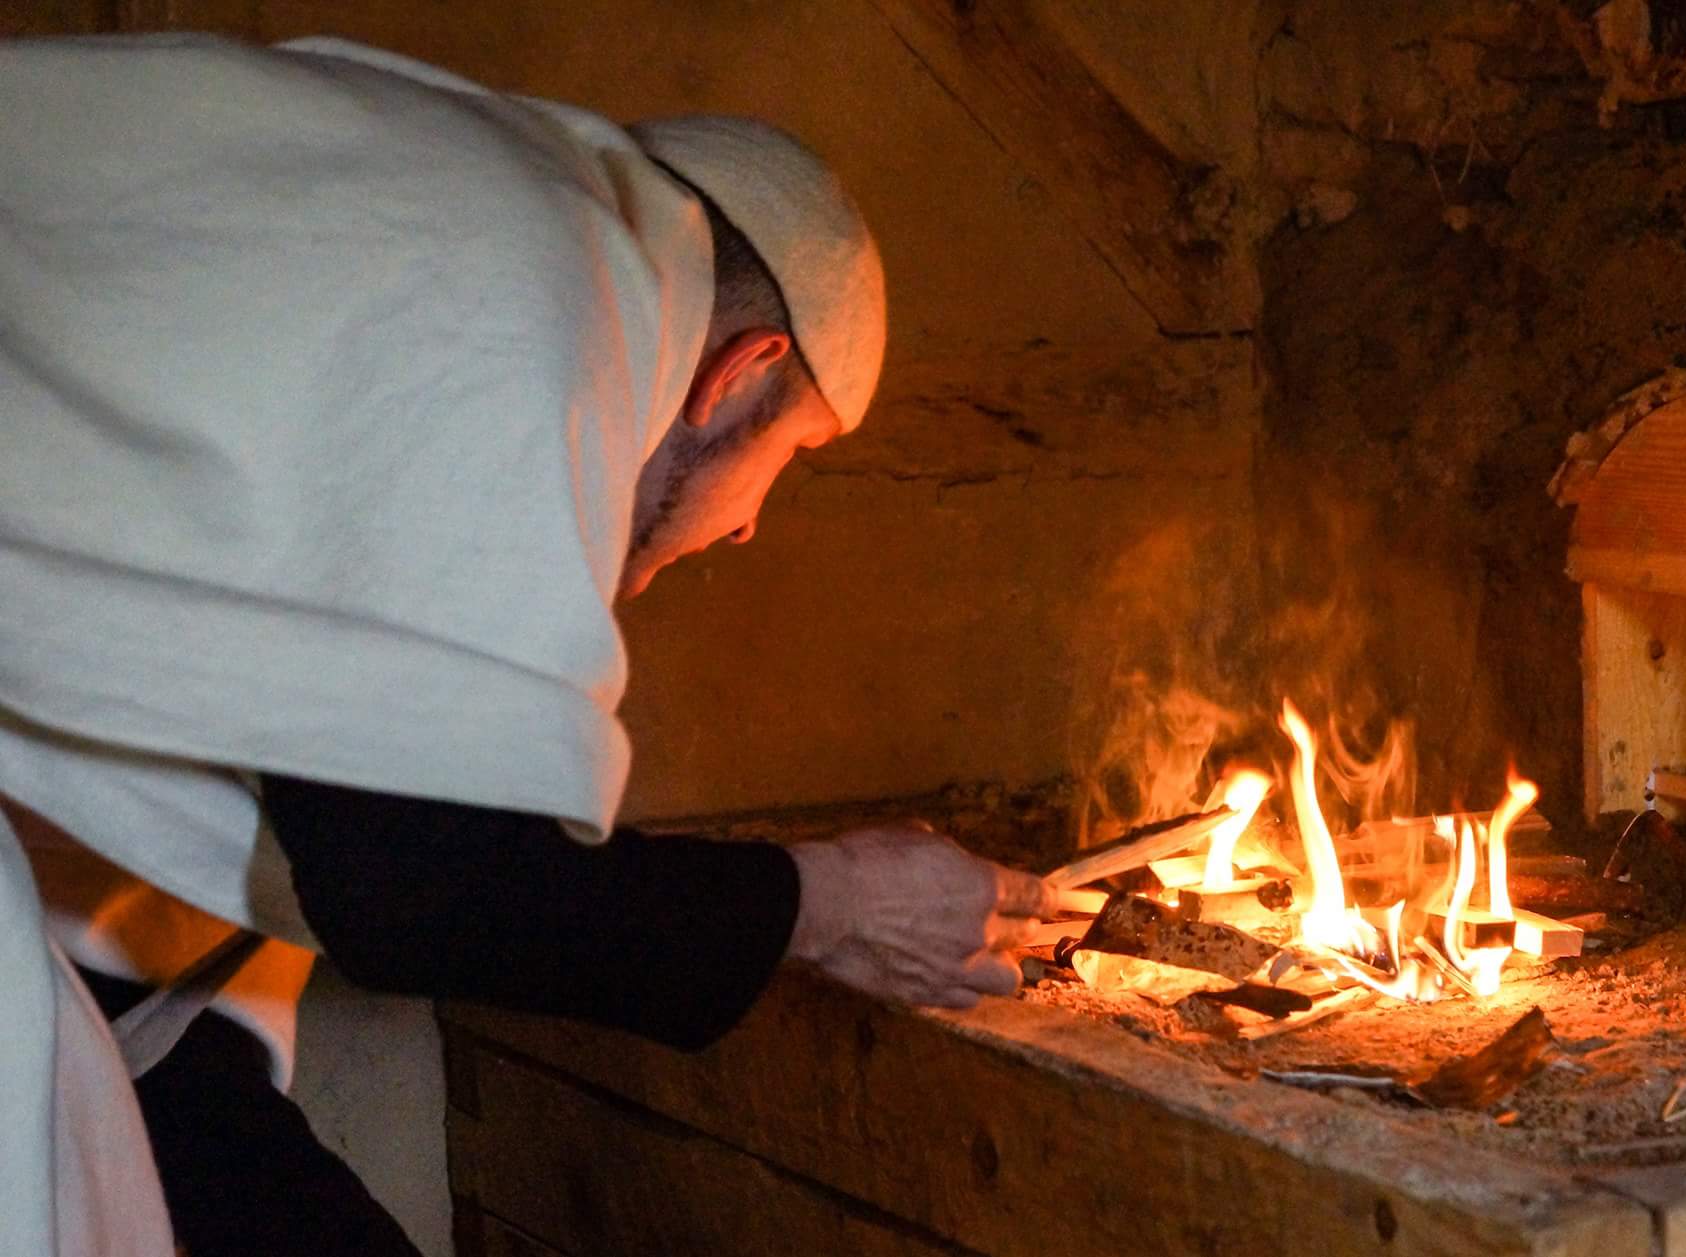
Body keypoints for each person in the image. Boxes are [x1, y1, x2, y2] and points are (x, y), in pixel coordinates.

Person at [0, 32, 1052, 1256]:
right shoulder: (530, 278)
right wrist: (837, 904)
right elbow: (420, 887)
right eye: (790, 458)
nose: (752, 526)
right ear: (741, 371)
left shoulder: (443, 213)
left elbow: (240, 955)